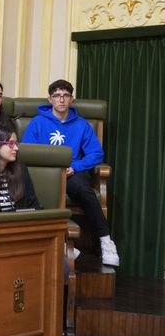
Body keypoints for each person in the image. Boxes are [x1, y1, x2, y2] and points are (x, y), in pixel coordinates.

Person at [21, 79, 119, 267]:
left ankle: (106, 241)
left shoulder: (81, 125)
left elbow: (96, 153)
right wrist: (49, 170)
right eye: (57, 96)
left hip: (73, 172)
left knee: (85, 191)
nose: (61, 100)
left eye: (65, 95)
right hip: (45, 174)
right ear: (50, 99)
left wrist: (76, 167)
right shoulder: (38, 123)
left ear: (71, 100)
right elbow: (27, 150)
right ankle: (61, 243)